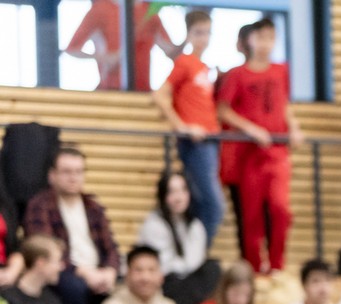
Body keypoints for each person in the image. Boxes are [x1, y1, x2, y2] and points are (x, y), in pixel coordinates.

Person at [214, 18, 302, 276]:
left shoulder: (281, 71)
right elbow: (223, 110)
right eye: (261, 37)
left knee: (280, 209)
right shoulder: (237, 74)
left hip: (277, 152)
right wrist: (251, 129)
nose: (266, 43)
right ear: (249, 40)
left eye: (270, 38)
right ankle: (254, 268)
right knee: (251, 215)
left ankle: (276, 266)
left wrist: (294, 127)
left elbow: (284, 105)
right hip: (249, 155)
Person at [24, 147, 121, 304]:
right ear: (52, 175)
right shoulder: (41, 205)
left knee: (130, 285)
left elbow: (111, 247)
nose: (73, 177)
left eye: (78, 172)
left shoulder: (93, 207)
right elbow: (43, 249)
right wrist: (85, 273)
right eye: (67, 172)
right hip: (63, 270)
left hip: (98, 272)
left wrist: (110, 270)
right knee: (75, 287)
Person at [151, 9, 223, 246]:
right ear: (189, 34)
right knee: (213, 205)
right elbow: (160, 95)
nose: (203, 38)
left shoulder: (204, 67)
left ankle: (194, 252)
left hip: (211, 140)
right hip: (195, 143)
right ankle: (196, 254)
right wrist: (181, 126)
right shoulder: (184, 62)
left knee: (202, 203)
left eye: (207, 33)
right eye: (198, 32)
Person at [137, 170, 219, 304]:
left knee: (212, 268)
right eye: (172, 192)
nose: (178, 197)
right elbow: (163, 266)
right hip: (165, 282)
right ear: (163, 196)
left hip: (188, 280)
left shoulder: (195, 225)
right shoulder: (153, 224)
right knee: (172, 280)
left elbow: (195, 262)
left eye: (183, 190)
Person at [62, 0, 172, 91]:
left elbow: (170, 51)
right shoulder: (100, 9)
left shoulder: (148, 11)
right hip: (110, 90)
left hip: (143, 91)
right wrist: (105, 58)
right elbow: (72, 49)